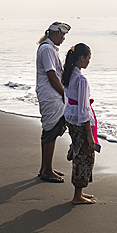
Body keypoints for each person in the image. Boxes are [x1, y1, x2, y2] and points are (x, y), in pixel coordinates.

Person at [62, 43, 98, 204]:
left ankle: (80, 193)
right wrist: (90, 138)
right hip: (79, 120)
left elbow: (69, 101)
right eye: (88, 58)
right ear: (81, 58)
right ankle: (77, 196)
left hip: (70, 118)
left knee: (79, 153)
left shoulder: (69, 75)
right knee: (85, 157)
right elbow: (84, 111)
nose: (89, 62)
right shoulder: (81, 79)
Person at [36, 22, 71, 183]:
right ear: (55, 33)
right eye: (62, 35)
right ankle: (46, 170)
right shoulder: (47, 49)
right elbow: (51, 75)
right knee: (51, 131)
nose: (63, 38)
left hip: (50, 95)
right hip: (51, 95)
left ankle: (46, 167)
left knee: (50, 131)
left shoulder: (48, 48)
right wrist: (65, 94)